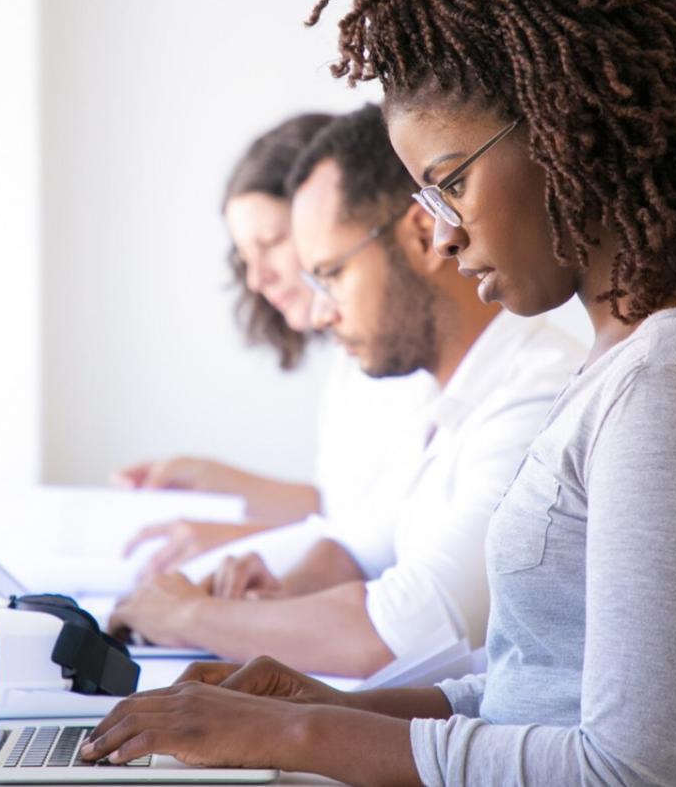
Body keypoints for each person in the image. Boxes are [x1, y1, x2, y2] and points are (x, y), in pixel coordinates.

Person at [80, 0, 676, 785]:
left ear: (570, 134)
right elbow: (543, 693)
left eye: (450, 181)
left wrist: (295, 741)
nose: (440, 234)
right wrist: (319, 705)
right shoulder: (631, 362)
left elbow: (641, 773)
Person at [107, 104, 582, 677]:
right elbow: (363, 543)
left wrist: (188, 616)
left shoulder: (537, 397)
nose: (322, 312)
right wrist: (279, 591)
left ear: (421, 237)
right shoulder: (447, 394)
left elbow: (399, 631)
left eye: (331, 275)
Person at [114, 112, 437, 577]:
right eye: (244, 256)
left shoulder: (411, 355)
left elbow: (385, 544)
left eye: (270, 242)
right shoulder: (351, 365)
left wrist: (242, 544)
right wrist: (211, 479)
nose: (256, 277)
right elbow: (339, 506)